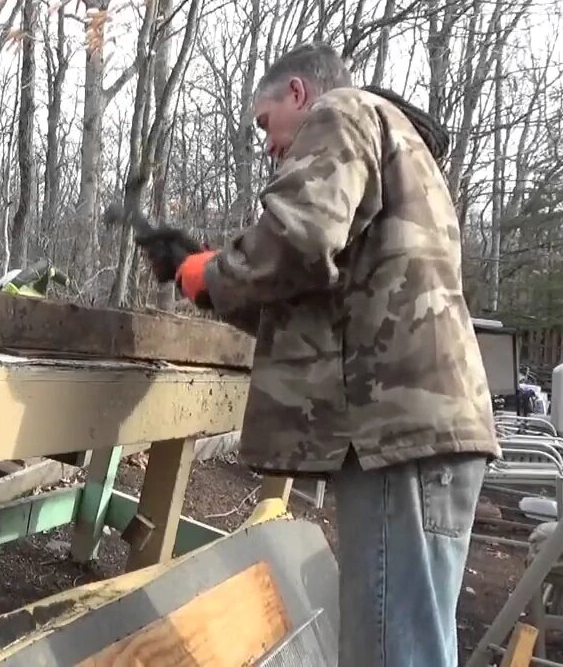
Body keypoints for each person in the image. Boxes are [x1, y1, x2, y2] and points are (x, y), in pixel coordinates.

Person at [159, 43, 502, 666]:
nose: (267, 145)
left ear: (297, 93)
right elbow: (314, 292)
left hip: (397, 429)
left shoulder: (342, 111)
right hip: (418, 427)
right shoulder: (396, 148)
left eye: (266, 123)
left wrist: (213, 271)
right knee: (408, 643)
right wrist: (208, 280)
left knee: (391, 651)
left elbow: (300, 236)